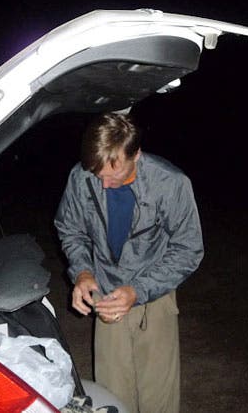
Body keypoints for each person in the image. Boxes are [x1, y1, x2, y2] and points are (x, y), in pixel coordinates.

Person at [54, 112, 204, 413]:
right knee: (112, 395)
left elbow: (189, 249)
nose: (106, 184)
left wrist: (138, 289)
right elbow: (69, 229)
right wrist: (83, 271)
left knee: (158, 398)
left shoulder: (171, 183)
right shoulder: (82, 176)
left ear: (136, 153)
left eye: (114, 172)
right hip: (106, 294)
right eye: (98, 175)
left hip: (155, 295)